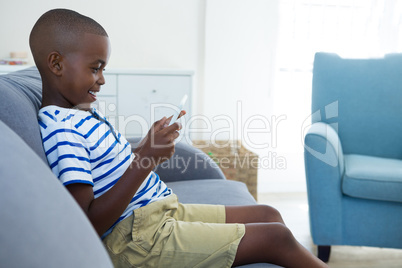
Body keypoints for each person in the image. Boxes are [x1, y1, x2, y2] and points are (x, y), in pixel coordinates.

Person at [31, 8, 328, 268]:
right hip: (137, 241)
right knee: (277, 237)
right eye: (95, 68)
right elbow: (88, 222)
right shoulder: (62, 127)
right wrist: (146, 158)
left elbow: (111, 170)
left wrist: (149, 146)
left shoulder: (81, 113)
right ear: (56, 64)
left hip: (159, 212)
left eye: (103, 69)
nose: (102, 79)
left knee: (268, 213)